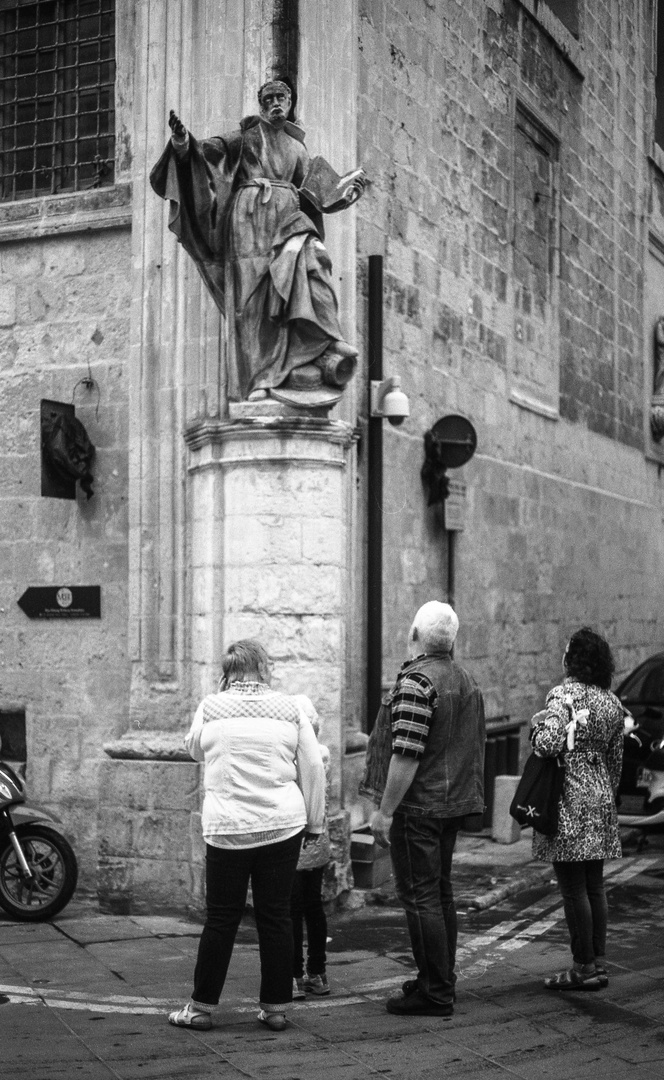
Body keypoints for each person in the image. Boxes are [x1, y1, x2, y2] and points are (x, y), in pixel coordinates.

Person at [150, 80, 366, 405]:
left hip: (289, 217)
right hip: (250, 218)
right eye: (269, 98)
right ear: (261, 103)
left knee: (311, 263)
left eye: (281, 97)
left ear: (290, 101)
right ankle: (259, 379)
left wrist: (343, 196)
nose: (276, 103)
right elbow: (206, 155)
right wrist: (183, 143)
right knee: (251, 301)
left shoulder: (298, 148)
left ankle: (324, 338)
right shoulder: (246, 135)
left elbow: (315, 193)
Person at [168, 640, 325, 1033]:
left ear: (227, 671)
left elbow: (193, 750)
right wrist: (315, 823)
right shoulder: (290, 708)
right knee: (275, 916)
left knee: (221, 918)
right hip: (281, 825)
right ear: (264, 668)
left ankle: (201, 1007)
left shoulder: (211, 706)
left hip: (228, 829)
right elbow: (312, 766)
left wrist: (218, 705)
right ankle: (275, 1009)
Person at [361, 601, 485, 1018]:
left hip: (420, 807)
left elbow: (406, 756)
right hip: (451, 804)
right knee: (440, 892)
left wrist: (385, 811)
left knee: (420, 898)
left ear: (414, 634)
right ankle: (440, 978)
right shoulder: (466, 679)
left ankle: (435, 991)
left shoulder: (416, 683)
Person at [530, 627, 624, 991]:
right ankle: (598, 962)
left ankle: (582, 967)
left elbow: (550, 742)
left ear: (573, 659)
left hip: (568, 799)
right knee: (594, 885)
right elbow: (615, 761)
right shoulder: (611, 703)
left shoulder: (563, 694)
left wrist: (536, 731)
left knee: (572, 889)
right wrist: (604, 793)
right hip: (599, 796)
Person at [289, 696, 332, 999]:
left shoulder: (293, 760)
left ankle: (292, 974)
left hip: (294, 839)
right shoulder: (323, 755)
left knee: (290, 911)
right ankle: (317, 973)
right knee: (314, 907)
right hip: (318, 841)